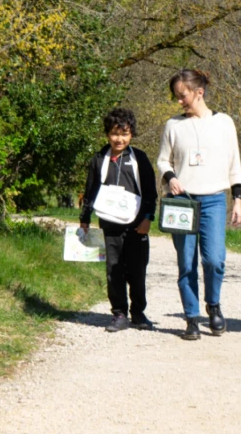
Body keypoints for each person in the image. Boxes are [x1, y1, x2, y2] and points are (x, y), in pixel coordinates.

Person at [157, 69, 241, 341]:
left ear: (199, 92)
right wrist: (170, 177)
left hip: (214, 199)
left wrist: (237, 198)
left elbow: (234, 163)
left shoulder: (224, 122)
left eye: (182, 96)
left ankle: (213, 304)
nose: (179, 101)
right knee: (186, 263)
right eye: (176, 97)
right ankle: (192, 318)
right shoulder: (173, 125)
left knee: (215, 259)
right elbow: (162, 161)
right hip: (182, 201)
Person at [80, 108, 158, 332]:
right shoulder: (99, 159)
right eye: (115, 133)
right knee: (114, 268)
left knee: (137, 269)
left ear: (131, 134)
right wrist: (84, 219)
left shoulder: (139, 159)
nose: (119, 139)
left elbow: (151, 192)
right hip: (110, 225)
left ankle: (139, 313)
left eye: (124, 134)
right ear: (107, 134)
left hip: (137, 226)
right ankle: (119, 314)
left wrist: (148, 218)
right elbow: (90, 191)